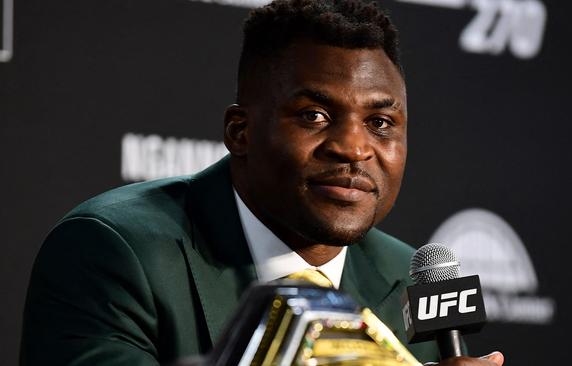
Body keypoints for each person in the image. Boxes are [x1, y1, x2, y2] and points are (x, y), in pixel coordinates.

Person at [20, 1, 504, 365]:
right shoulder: (114, 250)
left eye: (380, 123)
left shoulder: (402, 276)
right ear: (241, 132)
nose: (354, 148)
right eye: (314, 115)